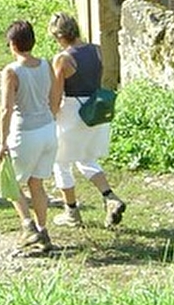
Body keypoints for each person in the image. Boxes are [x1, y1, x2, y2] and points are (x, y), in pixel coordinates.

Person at [48, 12, 127, 228]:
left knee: (60, 162)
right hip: (94, 109)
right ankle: (110, 197)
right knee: (86, 159)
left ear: (59, 36)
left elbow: (56, 96)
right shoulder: (97, 50)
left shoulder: (62, 59)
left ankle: (71, 212)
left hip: (72, 111)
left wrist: (50, 117)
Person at [0, 19, 61, 255]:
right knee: (37, 183)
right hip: (47, 130)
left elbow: (6, 109)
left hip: (25, 132)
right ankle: (43, 231)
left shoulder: (12, 71)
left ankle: (28, 226)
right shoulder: (45, 64)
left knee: (11, 183)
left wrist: (2, 141)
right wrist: (50, 118)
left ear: (13, 44)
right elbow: (55, 97)